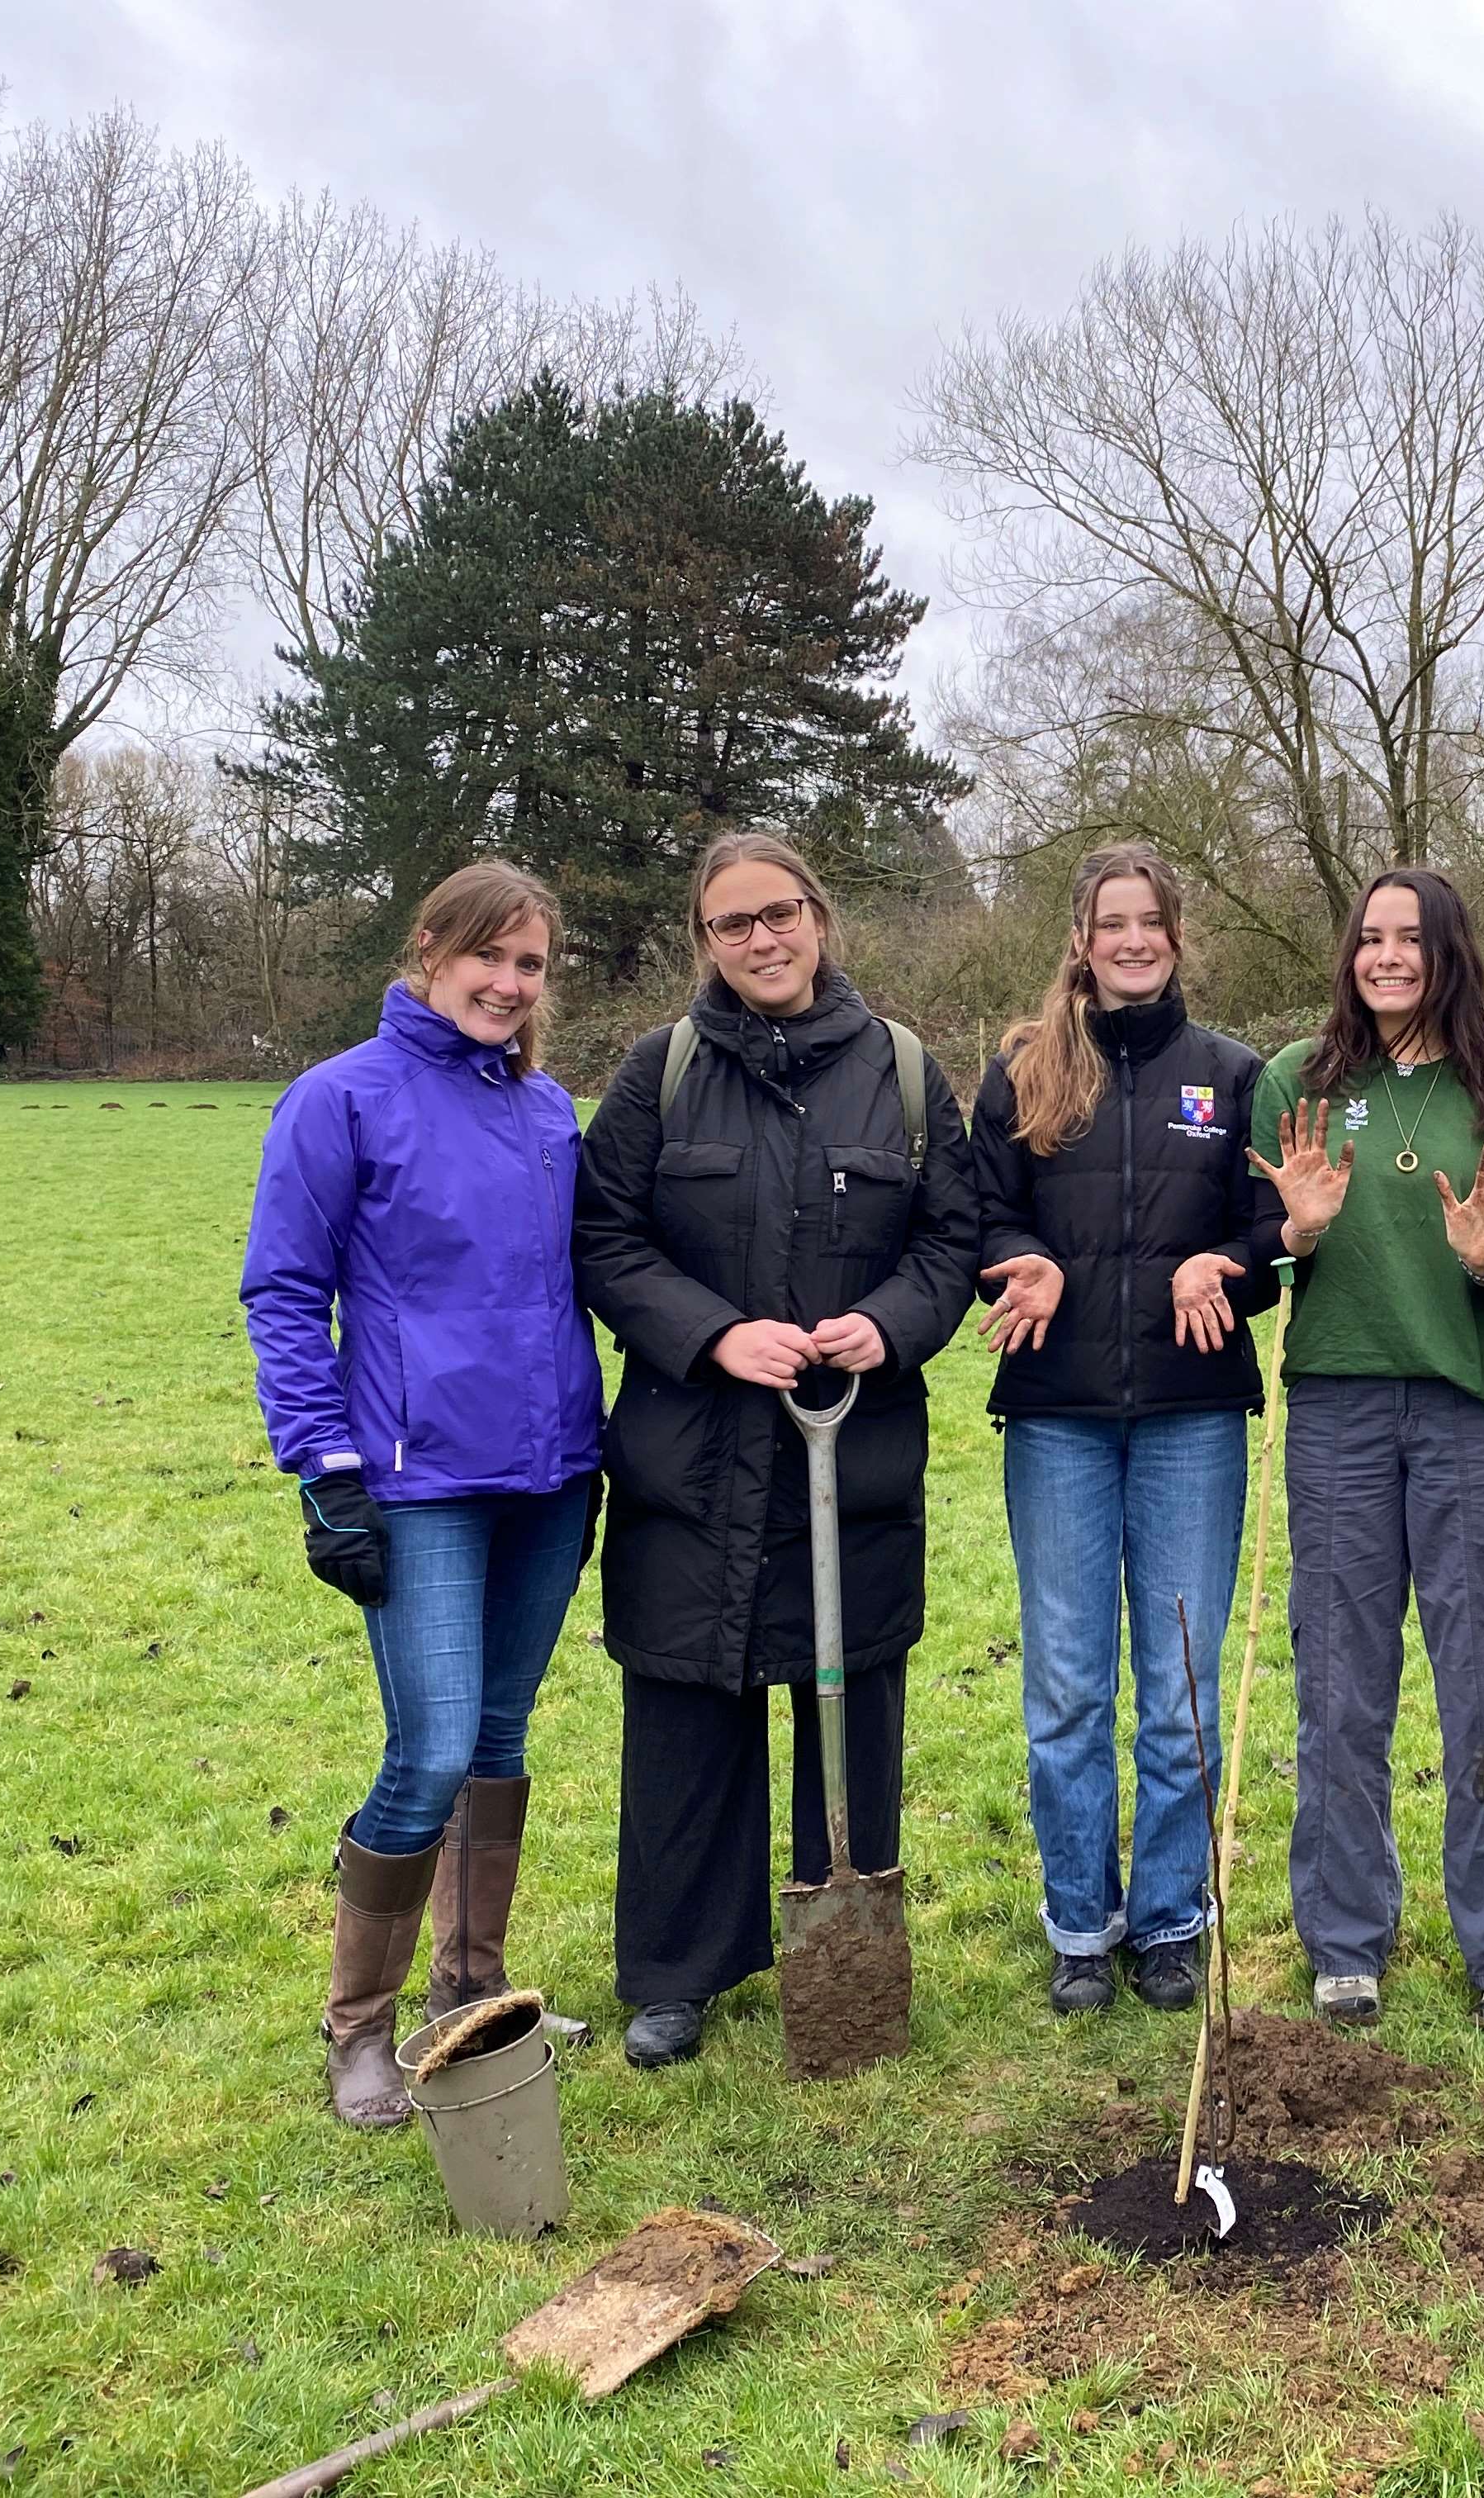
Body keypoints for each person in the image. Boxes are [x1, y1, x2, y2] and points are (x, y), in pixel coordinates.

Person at [571, 831, 979, 2070]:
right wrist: (712, 1336)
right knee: (689, 1710)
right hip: (691, 1461)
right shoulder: (660, 1074)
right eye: (733, 923)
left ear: (819, 918)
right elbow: (604, 1238)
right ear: (705, 941)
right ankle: (678, 1972)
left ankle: (834, 1946)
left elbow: (952, 1243)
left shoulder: (906, 1076)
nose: (762, 938)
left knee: (845, 1705)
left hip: (845, 1461)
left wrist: (891, 1325)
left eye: (781, 913)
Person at [240, 861, 605, 2129]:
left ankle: (475, 1987)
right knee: (433, 1747)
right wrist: (323, 1467)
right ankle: (358, 2028)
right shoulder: (339, 1101)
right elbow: (284, 1294)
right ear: (430, 951)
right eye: (488, 957)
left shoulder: (550, 1111)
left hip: (552, 1475)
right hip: (415, 1481)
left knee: (500, 1742)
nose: (508, 984)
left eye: (531, 965)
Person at [1248, 867, 1484, 2035]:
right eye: (1370, 939)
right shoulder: (1297, 1083)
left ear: (1449, 954)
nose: (1387, 958)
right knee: (1338, 1683)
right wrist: (1297, 1230)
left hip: (1466, 1408)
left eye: (1410, 940)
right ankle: (1345, 1941)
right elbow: (1253, 1248)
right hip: (1333, 1407)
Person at [967, 843, 1285, 2017]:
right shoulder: (1025, 1071)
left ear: (1177, 935)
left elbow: (1274, 1229)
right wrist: (1022, 1260)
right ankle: (1079, 1924)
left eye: (1152, 922)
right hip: (1055, 1420)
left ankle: (1166, 1919)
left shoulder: (1234, 1074)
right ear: (1083, 940)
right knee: (1064, 1687)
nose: (1134, 941)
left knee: (1180, 1684)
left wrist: (1235, 1265)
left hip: (1194, 1420)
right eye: (1114, 924)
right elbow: (977, 1212)